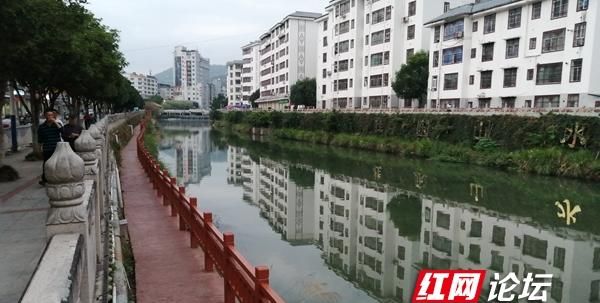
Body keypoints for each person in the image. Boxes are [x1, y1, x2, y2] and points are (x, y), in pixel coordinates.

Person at [38, 109, 63, 185]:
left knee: (57, 164)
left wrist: (55, 122)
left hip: (57, 148)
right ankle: (45, 179)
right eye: (48, 115)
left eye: (51, 115)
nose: (50, 117)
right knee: (46, 164)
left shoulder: (56, 125)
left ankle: (58, 177)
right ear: (45, 116)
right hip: (47, 148)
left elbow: (62, 131)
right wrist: (40, 149)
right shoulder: (42, 127)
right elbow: (40, 139)